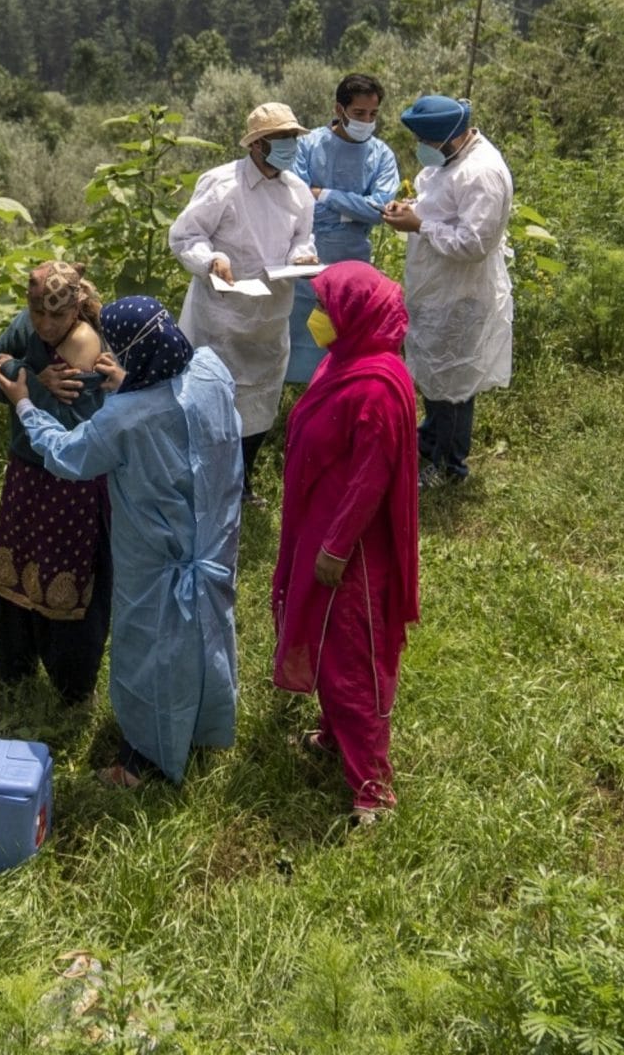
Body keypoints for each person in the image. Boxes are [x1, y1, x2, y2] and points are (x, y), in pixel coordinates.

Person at [0, 297, 242, 788]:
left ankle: (144, 761)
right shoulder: (210, 370)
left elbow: (67, 454)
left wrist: (23, 402)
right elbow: (181, 415)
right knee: (205, 632)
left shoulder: (124, 419)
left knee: (151, 649)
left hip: (156, 554)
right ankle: (204, 727)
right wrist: (130, 382)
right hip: (211, 538)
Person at [272, 263, 420, 824]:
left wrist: (334, 547)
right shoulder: (348, 359)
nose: (319, 318)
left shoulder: (377, 385)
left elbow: (370, 478)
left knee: (353, 658)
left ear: (354, 315)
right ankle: (335, 735)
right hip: (322, 529)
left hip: (350, 549)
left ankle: (372, 788)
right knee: (330, 645)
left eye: (328, 309)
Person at [0, 261, 114, 703]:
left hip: (72, 485)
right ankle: (14, 668)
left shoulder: (88, 341)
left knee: (66, 573)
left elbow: (72, 426)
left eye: (57, 315)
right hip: (27, 472)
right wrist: (30, 373)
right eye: (38, 314)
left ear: (77, 307)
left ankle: (73, 684)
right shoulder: (24, 328)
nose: (46, 325)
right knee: (16, 566)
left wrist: (22, 381)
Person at [170, 101, 317, 496]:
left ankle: (243, 480)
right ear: (256, 144)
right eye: (279, 139)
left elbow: (302, 237)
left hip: (269, 317)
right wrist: (212, 259)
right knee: (212, 398)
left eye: (292, 138)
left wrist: (301, 257)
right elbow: (185, 236)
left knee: (261, 402)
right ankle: (202, 480)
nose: (289, 145)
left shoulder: (298, 191)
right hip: (221, 317)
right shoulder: (222, 184)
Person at [382, 94, 514, 486]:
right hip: (438, 288)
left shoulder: (481, 174)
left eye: (426, 141)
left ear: (451, 139)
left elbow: (475, 244)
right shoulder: (453, 161)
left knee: (453, 381)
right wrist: (413, 209)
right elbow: (442, 205)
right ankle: (431, 440)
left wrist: (420, 225)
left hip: (461, 293)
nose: (421, 149)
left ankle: (449, 467)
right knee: (435, 373)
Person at [287, 73, 401, 385]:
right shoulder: (309, 146)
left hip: (353, 259)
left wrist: (325, 194)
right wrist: (354, 210)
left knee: (346, 330)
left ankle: (342, 392)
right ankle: (296, 404)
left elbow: (379, 210)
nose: (367, 120)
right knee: (301, 330)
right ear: (340, 110)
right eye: (359, 113)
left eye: (373, 114)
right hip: (308, 254)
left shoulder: (381, 155)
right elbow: (297, 202)